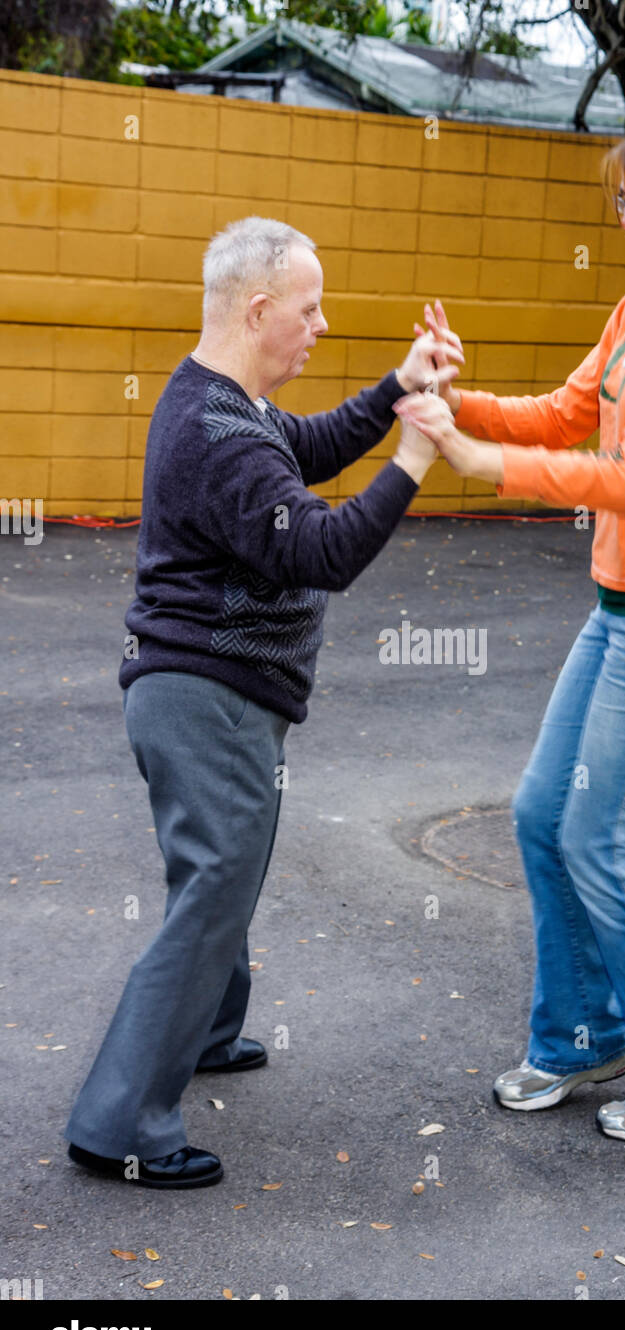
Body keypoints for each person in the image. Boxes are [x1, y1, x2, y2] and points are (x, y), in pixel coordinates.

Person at [396, 87, 625, 1143]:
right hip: (621, 609)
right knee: (537, 817)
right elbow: (571, 411)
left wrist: (481, 464)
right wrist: (458, 398)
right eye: (623, 204)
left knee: (597, 837)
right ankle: (579, 1038)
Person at [65, 217, 460, 1187]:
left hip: (204, 694)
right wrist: (411, 458)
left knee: (219, 881)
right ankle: (121, 1125)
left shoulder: (220, 402)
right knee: (211, 892)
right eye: (309, 306)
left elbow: (310, 446)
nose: (321, 325)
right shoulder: (217, 431)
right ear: (257, 309)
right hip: (207, 699)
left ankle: (207, 1032)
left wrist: (395, 388)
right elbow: (317, 549)